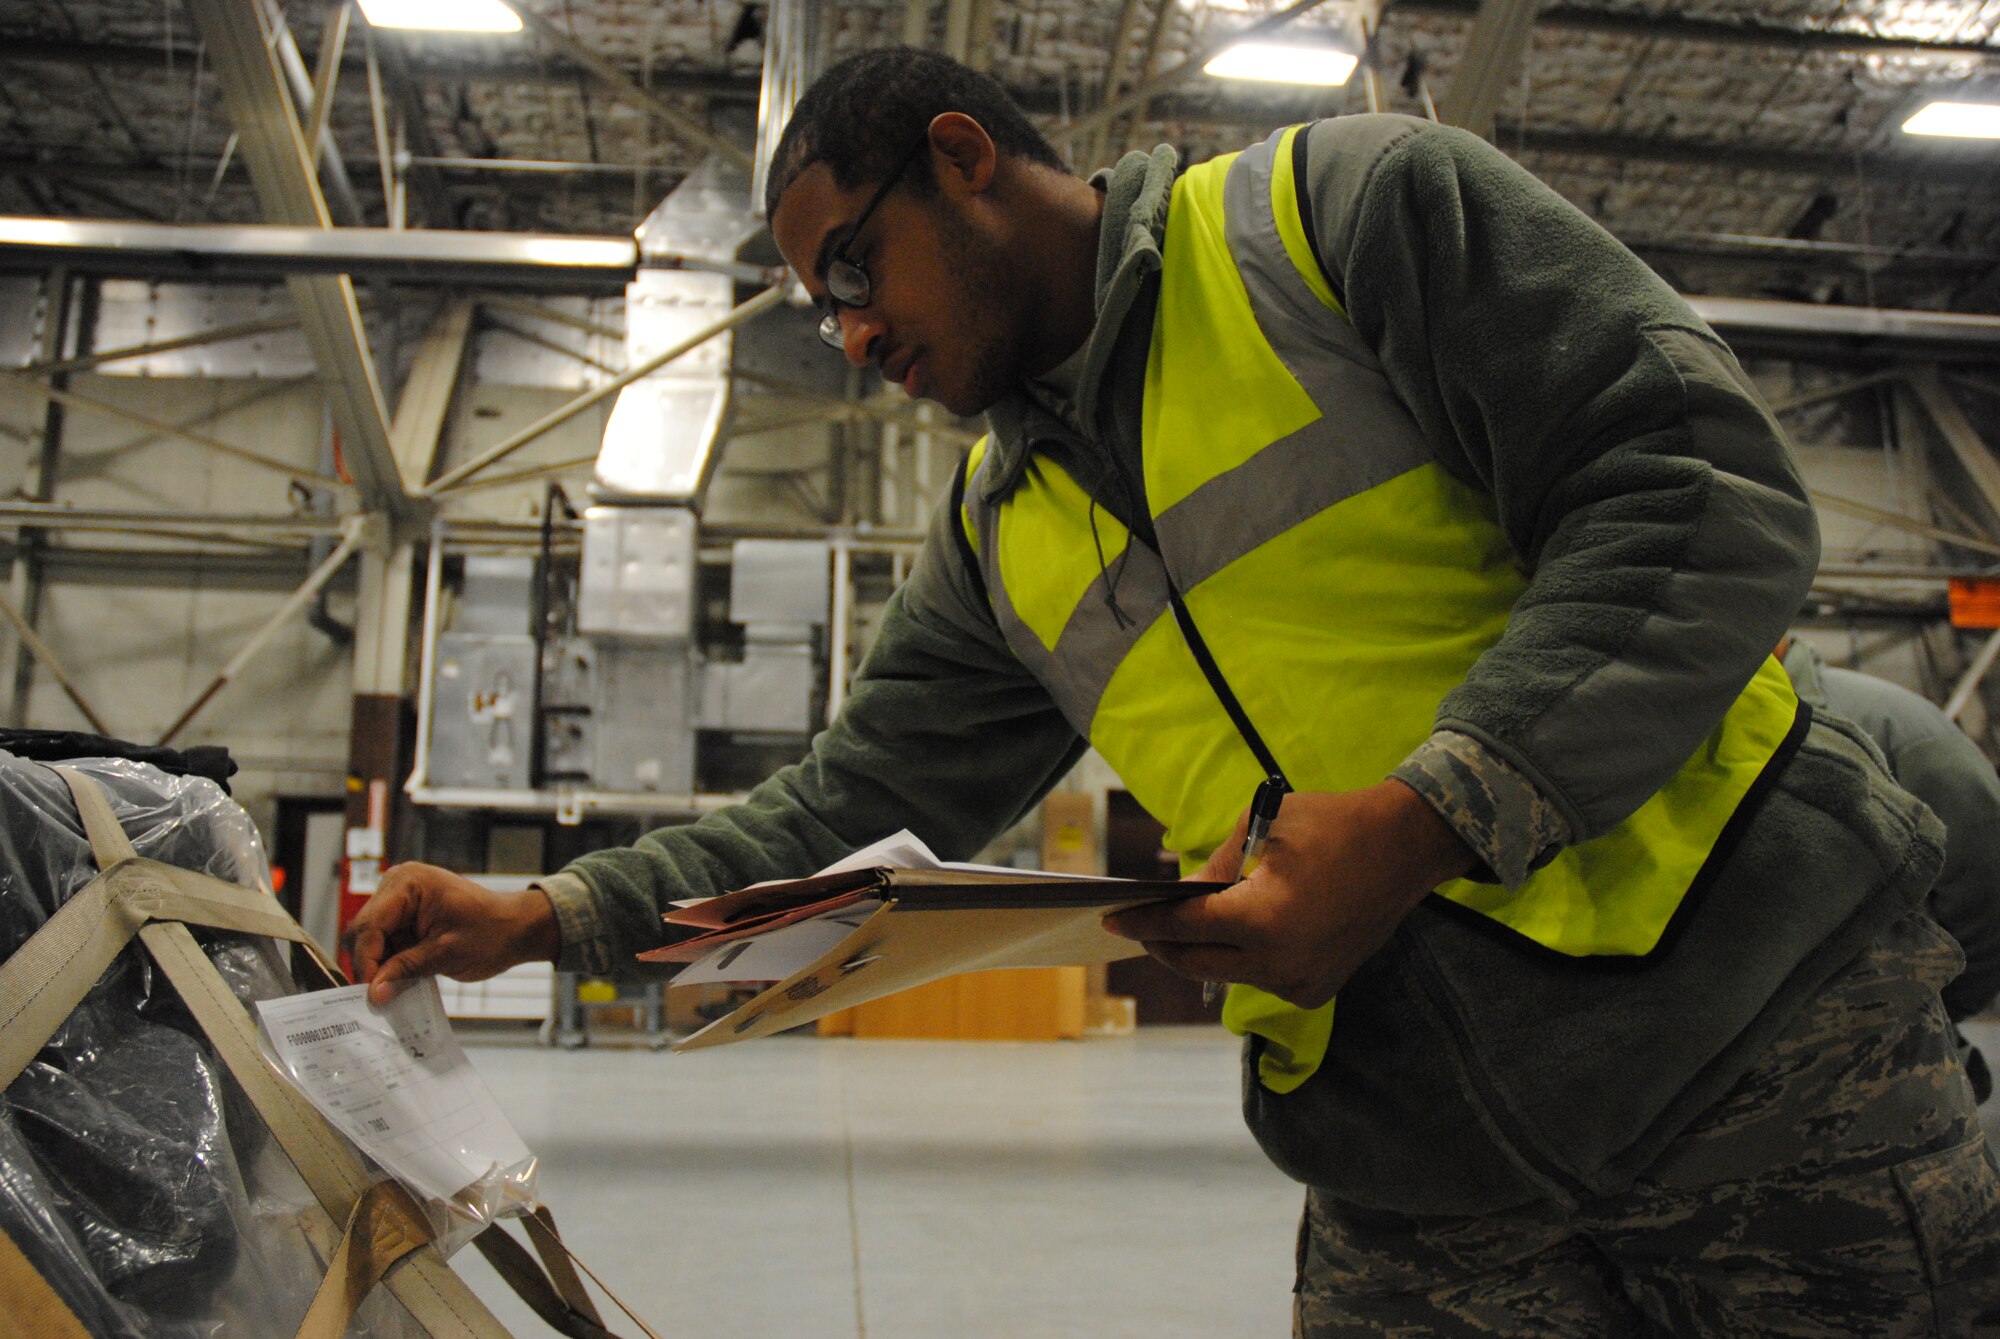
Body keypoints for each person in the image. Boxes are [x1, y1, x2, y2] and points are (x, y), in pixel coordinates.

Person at [348, 48, 2000, 1334]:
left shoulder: (1337, 222)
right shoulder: (1002, 526)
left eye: (850, 270)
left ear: (965, 160)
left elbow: (1694, 478)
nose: (845, 336)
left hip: (1763, 1047)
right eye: (811, 307)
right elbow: (851, 803)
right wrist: (547, 910)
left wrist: (1434, 817)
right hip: (1407, 1155)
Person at [1780, 633, 2000, 1101]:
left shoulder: (1895, 728)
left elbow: (1989, 891)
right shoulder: (1692, 728)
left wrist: (1924, 1005)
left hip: (1890, 1088)